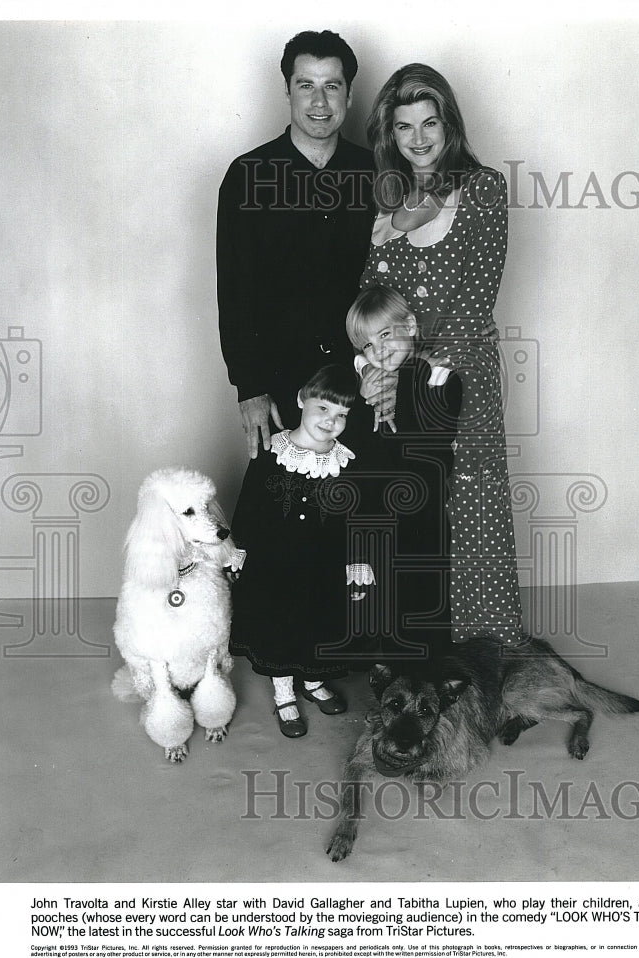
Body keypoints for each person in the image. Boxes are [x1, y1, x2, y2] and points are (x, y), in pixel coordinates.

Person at [357, 63, 526, 646]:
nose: (420, 139)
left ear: (449, 124)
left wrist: (428, 370)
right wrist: (373, 366)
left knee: (472, 505)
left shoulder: (483, 190)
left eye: (430, 123)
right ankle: (420, 648)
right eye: (405, 127)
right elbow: (371, 295)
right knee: (412, 512)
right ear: (391, 135)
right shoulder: (390, 202)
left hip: (463, 375)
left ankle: (487, 648)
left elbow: (480, 294)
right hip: (400, 379)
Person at [216, 30, 375, 459]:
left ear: (349, 93)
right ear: (287, 90)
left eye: (331, 86)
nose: (319, 102)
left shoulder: (376, 172)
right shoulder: (248, 175)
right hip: (282, 384)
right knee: (285, 515)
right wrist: (250, 389)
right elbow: (234, 291)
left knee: (363, 513)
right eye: (306, 85)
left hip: (365, 379)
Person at [229, 365, 375, 738]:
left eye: (342, 414)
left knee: (319, 623)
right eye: (323, 408)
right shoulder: (272, 451)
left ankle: (312, 682)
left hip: (323, 565)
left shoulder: (345, 460)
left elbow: (355, 515)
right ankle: (283, 694)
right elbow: (249, 506)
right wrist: (239, 550)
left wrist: (357, 558)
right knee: (280, 625)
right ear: (301, 400)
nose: (331, 421)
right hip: (275, 564)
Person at [346, 285, 461, 658]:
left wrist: (392, 385)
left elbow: (434, 434)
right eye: (367, 346)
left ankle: (429, 665)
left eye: (384, 335)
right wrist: (366, 384)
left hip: (423, 506)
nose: (378, 350)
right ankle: (386, 661)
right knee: (382, 589)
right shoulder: (370, 385)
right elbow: (359, 452)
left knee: (425, 586)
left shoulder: (437, 377)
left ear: (410, 325)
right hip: (380, 509)